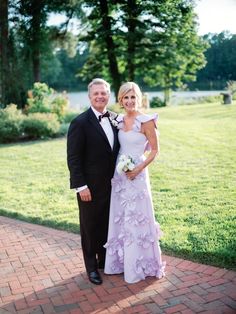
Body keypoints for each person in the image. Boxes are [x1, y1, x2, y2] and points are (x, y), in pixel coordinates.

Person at [104, 82, 165, 284]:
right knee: (120, 216)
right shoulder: (119, 120)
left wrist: (138, 169)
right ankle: (120, 263)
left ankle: (140, 265)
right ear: (120, 100)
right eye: (125, 98)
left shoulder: (147, 121)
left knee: (138, 216)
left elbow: (154, 150)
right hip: (120, 176)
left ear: (139, 98)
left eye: (133, 97)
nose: (129, 101)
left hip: (138, 175)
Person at [67, 78, 120, 285]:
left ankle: (104, 260)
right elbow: (73, 158)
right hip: (89, 187)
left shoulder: (116, 119)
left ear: (109, 95)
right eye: (96, 93)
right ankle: (91, 268)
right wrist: (81, 186)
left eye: (103, 93)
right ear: (89, 96)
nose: (100, 96)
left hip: (114, 186)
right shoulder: (79, 123)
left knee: (108, 223)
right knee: (90, 227)